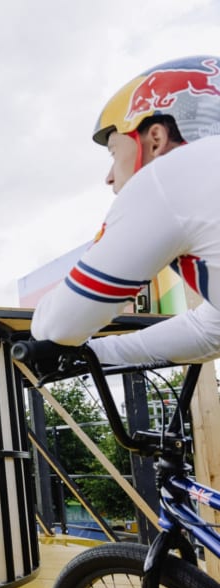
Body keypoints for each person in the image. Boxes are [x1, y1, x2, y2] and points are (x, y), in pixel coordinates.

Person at [31, 56, 220, 364]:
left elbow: (59, 325)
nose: (109, 176)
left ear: (155, 139)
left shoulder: (170, 176)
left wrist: (47, 336)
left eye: (114, 151)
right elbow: (209, 331)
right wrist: (95, 353)